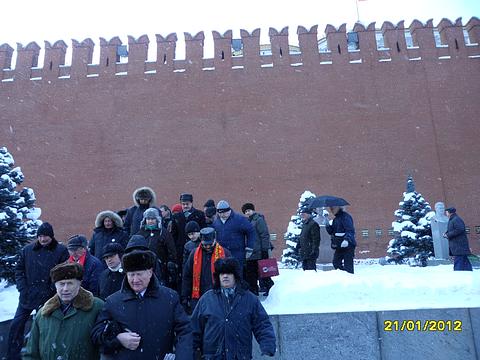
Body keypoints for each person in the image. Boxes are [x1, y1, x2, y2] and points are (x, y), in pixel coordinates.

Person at [91, 250, 193, 359]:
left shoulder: (169, 298)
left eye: (139, 274)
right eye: (131, 275)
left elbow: (185, 330)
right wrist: (118, 339)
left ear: (150, 272)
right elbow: (97, 334)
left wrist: (181, 356)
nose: (135, 280)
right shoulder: (113, 302)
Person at [191, 257, 276, 359]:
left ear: (235, 276)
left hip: (240, 355)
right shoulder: (207, 299)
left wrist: (267, 345)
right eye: (222, 274)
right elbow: (194, 328)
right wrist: (191, 350)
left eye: (229, 273)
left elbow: (262, 324)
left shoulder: (249, 299)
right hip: (212, 356)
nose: (225, 276)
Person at [7, 223, 69, 360]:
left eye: (45, 236)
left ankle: (45, 355)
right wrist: (23, 288)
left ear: (51, 236)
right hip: (27, 297)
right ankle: (12, 356)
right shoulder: (27, 250)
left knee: (47, 329)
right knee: (16, 325)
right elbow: (19, 270)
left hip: (49, 298)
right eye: (40, 236)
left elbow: (63, 273)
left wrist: (52, 291)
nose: (42, 239)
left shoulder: (61, 251)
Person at [23, 262, 104, 360]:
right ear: (55, 285)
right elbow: (31, 353)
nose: (65, 289)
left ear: (79, 283)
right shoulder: (43, 314)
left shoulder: (97, 307)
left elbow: (106, 349)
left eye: (70, 283)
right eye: (61, 284)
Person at [181, 227, 230, 314]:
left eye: (210, 244)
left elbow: (232, 274)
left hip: (219, 294)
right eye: (205, 245)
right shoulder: (194, 254)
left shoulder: (225, 253)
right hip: (199, 294)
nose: (207, 247)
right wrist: (185, 296)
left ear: (215, 240)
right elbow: (187, 275)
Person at [136, 207, 178, 289]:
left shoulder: (163, 233)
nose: (150, 221)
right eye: (148, 219)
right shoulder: (140, 233)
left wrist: (170, 264)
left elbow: (172, 250)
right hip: (143, 267)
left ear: (157, 220)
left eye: (153, 219)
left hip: (161, 268)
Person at [212, 200, 256, 275]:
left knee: (237, 275)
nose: (222, 215)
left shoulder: (239, 219)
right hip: (222, 254)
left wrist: (249, 247)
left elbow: (251, 231)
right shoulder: (216, 222)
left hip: (237, 254)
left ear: (229, 210)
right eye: (220, 213)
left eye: (224, 212)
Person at [241, 202, 274, 296]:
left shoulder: (258, 220)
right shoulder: (247, 221)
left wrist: (265, 249)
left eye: (249, 210)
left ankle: (269, 289)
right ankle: (254, 291)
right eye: (245, 211)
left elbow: (264, 235)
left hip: (259, 252)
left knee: (264, 272)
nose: (247, 212)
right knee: (252, 274)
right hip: (251, 253)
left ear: (253, 210)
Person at [325, 206, 356, 274]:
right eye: (331, 209)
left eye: (333, 208)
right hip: (339, 245)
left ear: (338, 207)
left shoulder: (346, 217)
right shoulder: (336, 219)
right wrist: (327, 225)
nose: (331, 210)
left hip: (348, 245)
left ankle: (350, 279)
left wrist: (346, 240)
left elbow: (350, 230)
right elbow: (332, 232)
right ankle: (343, 276)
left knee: (348, 265)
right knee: (336, 262)